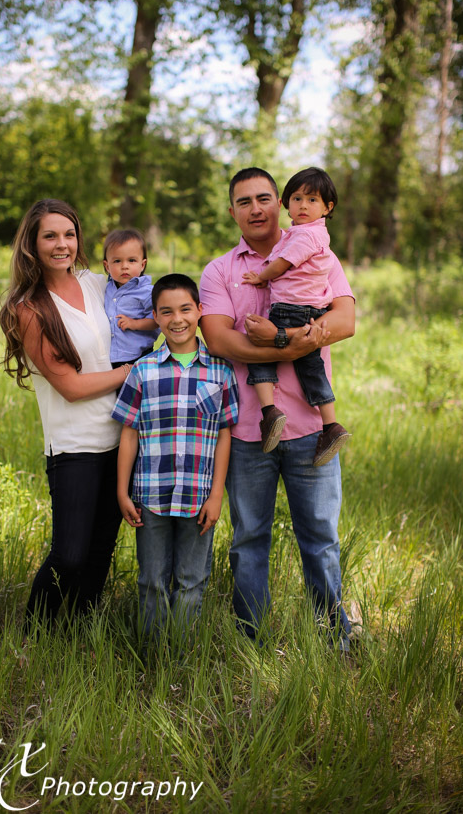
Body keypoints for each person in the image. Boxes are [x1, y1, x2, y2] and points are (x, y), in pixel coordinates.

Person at [199, 167, 355, 648]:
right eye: (244, 201)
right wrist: (290, 347)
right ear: (233, 212)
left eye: (264, 198)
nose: (256, 208)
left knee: (321, 541)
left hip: (311, 428)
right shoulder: (220, 271)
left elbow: (345, 320)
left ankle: (336, 642)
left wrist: (281, 337)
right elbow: (222, 340)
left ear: (280, 203)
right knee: (249, 542)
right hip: (248, 431)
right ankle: (253, 644)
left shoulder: (316, 248)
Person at [0, 198, 130, 629]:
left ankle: (78, 635)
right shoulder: (29, 307)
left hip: (121, 437)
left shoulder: (96, 284)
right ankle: (34, 636)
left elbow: (143, 290)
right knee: (69, 555)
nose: (62, 244)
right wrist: (131, 372)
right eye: (50, 236)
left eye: (69, 234)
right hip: (74, 445)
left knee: (98, 554)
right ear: (32, 245)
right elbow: (71, 387)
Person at [111, 274, 239, 643]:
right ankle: (152, 655)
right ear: (155, 316)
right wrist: (123, 492)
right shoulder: (143, 371)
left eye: (185, 309)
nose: (177, 319)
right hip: (151, 495)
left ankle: (180, 656)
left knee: (192, 580)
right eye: (166, 312)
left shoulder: (220, 371)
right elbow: (129, 433)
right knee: (151, 579)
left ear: (200, 311)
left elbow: (224, 434)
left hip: (199, 497)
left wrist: (217, 495)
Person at [241, 167, 351, 465]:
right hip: (312, 312)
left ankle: (269, 412)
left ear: (328, 208)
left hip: (290, 308)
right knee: (311, 367)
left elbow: (281, 264)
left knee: (259, 351)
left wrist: (262, 277)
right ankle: (330, 425)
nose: (303, 206)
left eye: (312, 200)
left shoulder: (305, 235)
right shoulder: (313, 235)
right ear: (286, 204)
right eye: (297, 198)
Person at [103, 228, 160, 367]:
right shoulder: (106, 289)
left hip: (139, 356)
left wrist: (134, 324)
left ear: (142, 264)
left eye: (132, 260)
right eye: (117, 261)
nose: (124, 266)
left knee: (138, 388)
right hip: (111, 358)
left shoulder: (146, 292)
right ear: (107, 266)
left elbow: (157, 320)